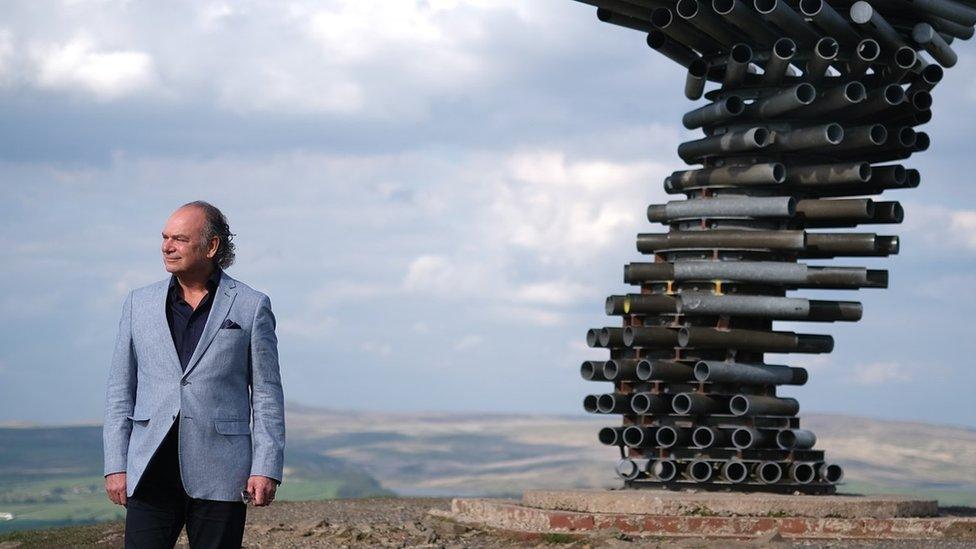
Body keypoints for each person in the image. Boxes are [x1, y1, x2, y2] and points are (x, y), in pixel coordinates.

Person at [102, 201, 285, 548]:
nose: (167, 247)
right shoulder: (137, 303)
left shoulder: (250, 305)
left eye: (180, 239)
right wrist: (115, 464)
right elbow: (119, 391)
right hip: (149, 469)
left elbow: (266, 394)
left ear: (211, 246)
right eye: (165, 237)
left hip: (221, 472)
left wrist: (266, 466)